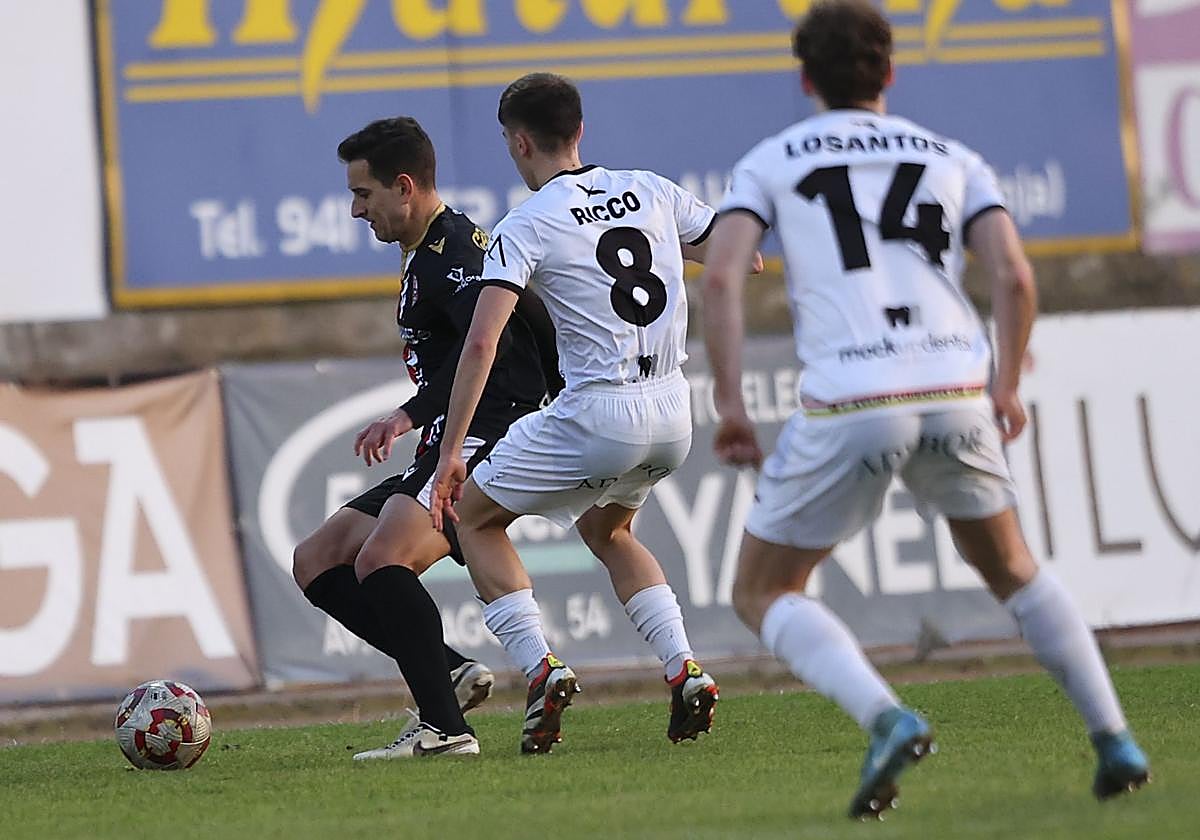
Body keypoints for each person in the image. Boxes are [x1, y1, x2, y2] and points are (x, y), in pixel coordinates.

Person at [699, 0, 1151, 819]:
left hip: (853, 397)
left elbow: (724, 276)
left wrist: (731, 403)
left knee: (764, 591)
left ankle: (887, 715)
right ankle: (1114, 736)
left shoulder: (771, 158)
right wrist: (1006, 383)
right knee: (1014, 569)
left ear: (805, 78)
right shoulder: (951, 155)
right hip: (954, 391)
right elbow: (1013, 275)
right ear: (890, 74)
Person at [430, 73, 758, 754]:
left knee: (474, 518)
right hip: (672, 410)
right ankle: (682, 666)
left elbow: (484, 339)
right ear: (578, 131)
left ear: (521, 142)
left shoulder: (527, 222)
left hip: (598, 411)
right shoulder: (654, 189)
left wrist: (451, 452)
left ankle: (541, 667)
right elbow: (743, 257)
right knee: (609, 531)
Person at [291, 116, 562, 760]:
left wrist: (409, 414)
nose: (357, 210)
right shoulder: (432, 250)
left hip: (481, 437)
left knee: (382, 561)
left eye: (365, 194)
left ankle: (445, 730)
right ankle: (448, 671)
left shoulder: (457, 255)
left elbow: (483, 348)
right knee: (317, 558)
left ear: (404, 186)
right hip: (448, 437)